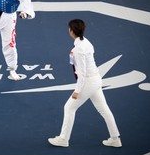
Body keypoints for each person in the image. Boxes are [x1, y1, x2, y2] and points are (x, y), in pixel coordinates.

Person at [48, 19, 122, 147]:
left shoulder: (78, 50)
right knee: (104, 110)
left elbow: (81, 74)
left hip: (88, 82)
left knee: (69, 107)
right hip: (96, 80)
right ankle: (115, 138)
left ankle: (63, 139)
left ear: (71, 31)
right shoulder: (86, 42)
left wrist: (77, 91)